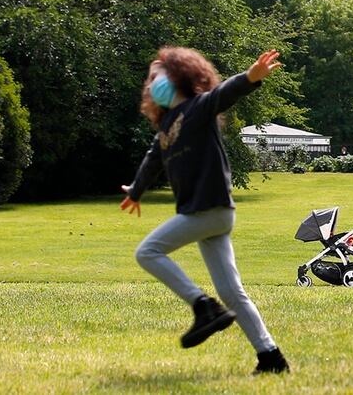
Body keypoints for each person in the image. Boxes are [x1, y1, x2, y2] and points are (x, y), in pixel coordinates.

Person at [119, 47, 289, 374]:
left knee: (148, 252)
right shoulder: (167, 124)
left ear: (180, 75)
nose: (153, 83)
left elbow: (225, 93)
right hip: (208, 215)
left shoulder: (199, 107)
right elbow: (153, 159)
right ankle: (271, 358)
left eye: (159, 75)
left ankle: (203, 306)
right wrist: (136, 191)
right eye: (150, 78)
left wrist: (252, 76)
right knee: (232, 292)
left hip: (208, 209)